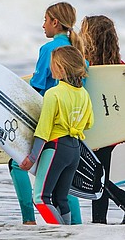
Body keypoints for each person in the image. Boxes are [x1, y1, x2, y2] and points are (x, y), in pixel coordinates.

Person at [8, 2, 84, 224]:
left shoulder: (49, 50)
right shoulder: (78, 50)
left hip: (48, 123)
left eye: (45, 20)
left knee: (16, 164)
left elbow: (36, 89)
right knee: (64, 183)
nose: (43, 26)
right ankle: (76, 226)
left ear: (55, 22)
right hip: (73, 131)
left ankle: (29, 221)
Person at [80, 15, 125, 224]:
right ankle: (100, 221)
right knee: (98, 175)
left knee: (93, 177)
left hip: (93, 131)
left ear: (91, 37)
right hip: (109, 132)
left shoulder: (87, 67)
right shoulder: (117, 67)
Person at [19, 46, 94, 225]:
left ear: (61, 68)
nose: (50, 68)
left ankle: (60, 234)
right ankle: (67, 237)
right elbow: (89, 123)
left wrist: (32, 157)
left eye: (53, 65)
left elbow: (43, 130)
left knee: (41, 198)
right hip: (74, 150)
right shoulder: (84, 94)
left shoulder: (54, 94)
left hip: (56, 148)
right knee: (61, 199)